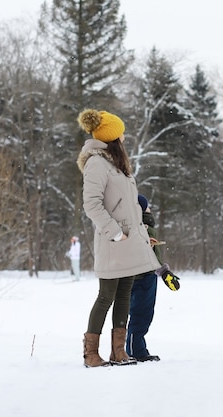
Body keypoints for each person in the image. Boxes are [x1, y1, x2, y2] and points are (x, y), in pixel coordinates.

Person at [76, 108, 161, 368]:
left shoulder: (117, 164)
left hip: (131, 240)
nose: (124, 138)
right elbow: (91, 204)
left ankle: (118, 351)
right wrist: (114, 232)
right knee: (106, 296)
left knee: (124, 294)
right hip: (114, 241)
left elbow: (129, 205)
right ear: (112, 137)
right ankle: (91, 354)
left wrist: (143, 233)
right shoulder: (96, 162)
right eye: (121, 134)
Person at [126, 194, 176, 362]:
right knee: (141, 315)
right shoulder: (145, 227)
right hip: (145, 277)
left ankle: (130, 348)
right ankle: (136, 350)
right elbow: (153, 257)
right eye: (147, 207)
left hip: (132, 275)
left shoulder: (130, 225)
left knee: (134, 315)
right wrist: (163, 272)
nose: (150, 209)